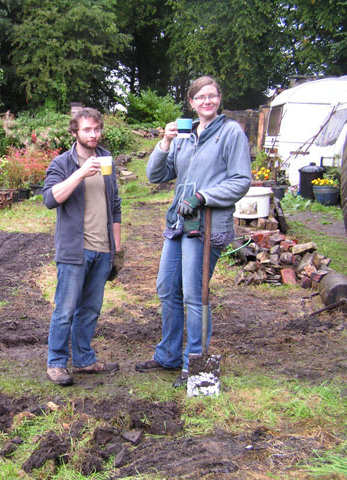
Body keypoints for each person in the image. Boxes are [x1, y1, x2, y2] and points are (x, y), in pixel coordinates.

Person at [135, 76, 251, 387]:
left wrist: (203, 196)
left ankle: (195, 366)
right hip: (177, 224)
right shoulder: (185, 136)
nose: (207, 102)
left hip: (207, 225)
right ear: (191, 103)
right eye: (201, 97)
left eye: (212, 96)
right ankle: (168, 355)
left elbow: (241, 181)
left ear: (219, 99)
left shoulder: (230, 133)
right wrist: (165, 143)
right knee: (167, 289)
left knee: (194, 296)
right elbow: (156, 174)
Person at [42, 107, 123, 386]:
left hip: (102, 251)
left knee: (90, 309)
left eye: (97, 129)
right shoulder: (63, 163)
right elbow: (51, 199)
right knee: (65, 309)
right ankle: (56, 362)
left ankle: (85, 360)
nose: (93, 134)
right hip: (74, 250)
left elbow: (115, 206)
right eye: (87, 129)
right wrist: (80, 174)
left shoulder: (106, 160)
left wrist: (117, 250)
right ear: (75, 132)